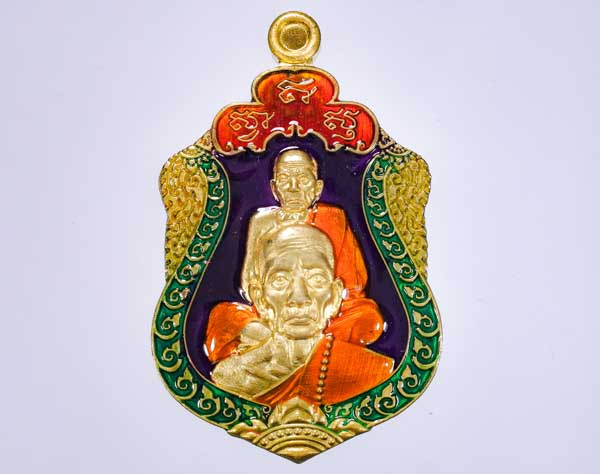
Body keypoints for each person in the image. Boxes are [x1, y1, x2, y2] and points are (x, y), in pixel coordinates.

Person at [205, 149, 387, 370]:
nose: (293, 188)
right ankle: (307, 347)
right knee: (223, 316)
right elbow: (248, 283)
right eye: (284, 179)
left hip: (320, 309)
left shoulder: (333, 218)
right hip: (273, 307)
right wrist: (271, 304)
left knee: (369, 318)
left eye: (303, 179)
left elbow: (352, 286)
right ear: (274, 188)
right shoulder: (262, 221)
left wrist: (322, 305)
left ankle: (284, 346)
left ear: (317, 188)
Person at [211, 225, 393, 405]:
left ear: (334, 296)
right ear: (260, 298)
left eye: (316, 279)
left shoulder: (370, 372)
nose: (299, 297)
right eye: (280, 280)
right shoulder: (230, 378)